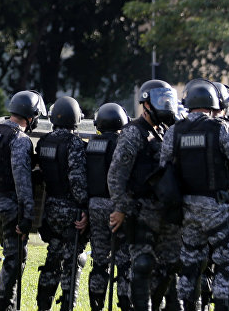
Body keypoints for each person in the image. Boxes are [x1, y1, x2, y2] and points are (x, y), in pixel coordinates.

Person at [164, 79, 229, 311]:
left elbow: (164, 166)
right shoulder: (220, 128)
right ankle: (221, 305)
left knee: (190, 263)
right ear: (213, 104)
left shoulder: (174, 131)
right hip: (216, 208)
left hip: (186, 208)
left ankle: (186, 306)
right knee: (226, 262)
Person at [110, 79, 183, 311]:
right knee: (142, 265)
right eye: (160, 100)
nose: (165, 104)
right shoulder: (134, 133)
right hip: (140, 213)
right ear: (146, 104)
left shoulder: (165, 132)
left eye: (167, 99)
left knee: (172, 265)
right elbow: (116, 175)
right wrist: (120, 208)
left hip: (166, 213)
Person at [0, 90, 47, 311]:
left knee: (10, 253)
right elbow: (22, 180)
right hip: (10, 205)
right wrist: (27, 215)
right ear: (30, 116)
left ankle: (6, 303)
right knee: (16, 257)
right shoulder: (19, 139)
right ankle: (6, 305)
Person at [35, 96, 89, 311]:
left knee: (52, 258)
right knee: (72, 263)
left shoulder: (44, 142)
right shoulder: (74, 144)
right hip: (71, 211)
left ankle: (43, 305)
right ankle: (67, 305)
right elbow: (77, 181)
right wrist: (84, 208)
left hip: (51, 209)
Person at [85, 102, 131, 311]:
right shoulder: (122, 143)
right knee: (123, 261)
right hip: (116, 205)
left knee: (99, 259)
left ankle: (96, 304)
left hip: (94, 205)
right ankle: (124, 303)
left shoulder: (91, 143)